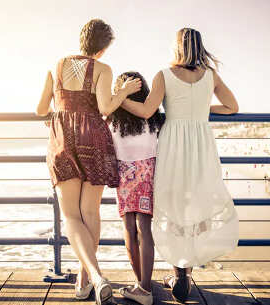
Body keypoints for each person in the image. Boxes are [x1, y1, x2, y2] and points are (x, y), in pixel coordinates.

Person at [120, 27, 240, 303]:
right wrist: (201, 109)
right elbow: (232, 106)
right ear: (200, 47)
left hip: (173, 144)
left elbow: (146, 111)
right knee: (195, 203)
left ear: (176, 47)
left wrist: (119, 100)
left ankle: (179, 271)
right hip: (200, 146)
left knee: (172, 204)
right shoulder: (210, 75)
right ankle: (185, 271)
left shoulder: (164, 75)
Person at [36, 19, 141, 305]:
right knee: (90, 214)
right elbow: (106, 107)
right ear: (104, 48)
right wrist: (125, 92)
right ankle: (86, 279)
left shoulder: (55, 66)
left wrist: (59, 115)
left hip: (62, 140)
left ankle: (95, 277)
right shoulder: (103, 69)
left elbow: (40, 109)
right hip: (94, 139)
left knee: (71, 216)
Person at [107, 72, 164, 305]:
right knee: (145, 229)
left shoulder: (112, 117)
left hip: (124, 174)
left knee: (129, 228)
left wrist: (117, 97)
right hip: (147, 172)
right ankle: (145, 286)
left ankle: (141, 283)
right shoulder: (153, 117)